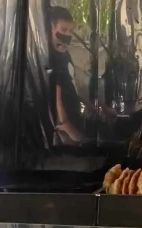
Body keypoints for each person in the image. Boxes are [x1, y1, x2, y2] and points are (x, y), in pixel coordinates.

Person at [49, 6, 86, 145]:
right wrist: (65, 123)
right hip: (66, 124)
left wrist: (90, 104)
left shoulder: (64, 54)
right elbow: (57, 96)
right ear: (52, 27)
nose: (68, 35)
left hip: (75, 116)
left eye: (70, 31)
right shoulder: (53, 58)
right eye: (64, 30)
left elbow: (70, 83)